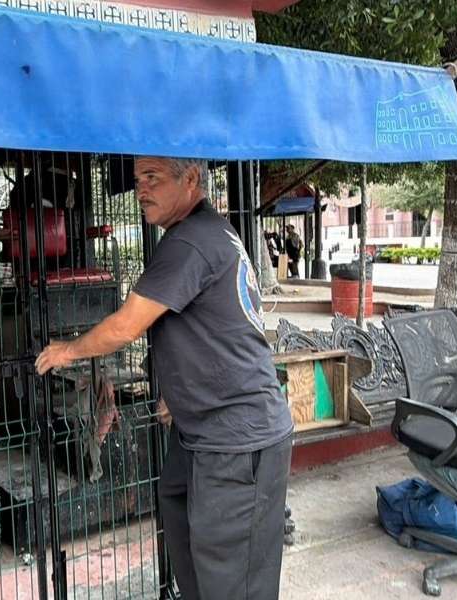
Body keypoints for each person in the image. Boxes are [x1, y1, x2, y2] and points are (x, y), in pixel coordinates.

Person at [36, 156, 294, 600]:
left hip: (237, 438)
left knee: (232, 579)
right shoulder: (205, 234)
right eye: (138, 180)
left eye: (152, 178)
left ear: (190, 179)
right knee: (184, 529)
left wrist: (68, 350)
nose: (141, 189)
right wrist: (175, 394)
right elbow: (212, 325)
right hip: (201, 433)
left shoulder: (192, 242)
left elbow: (126, 325)